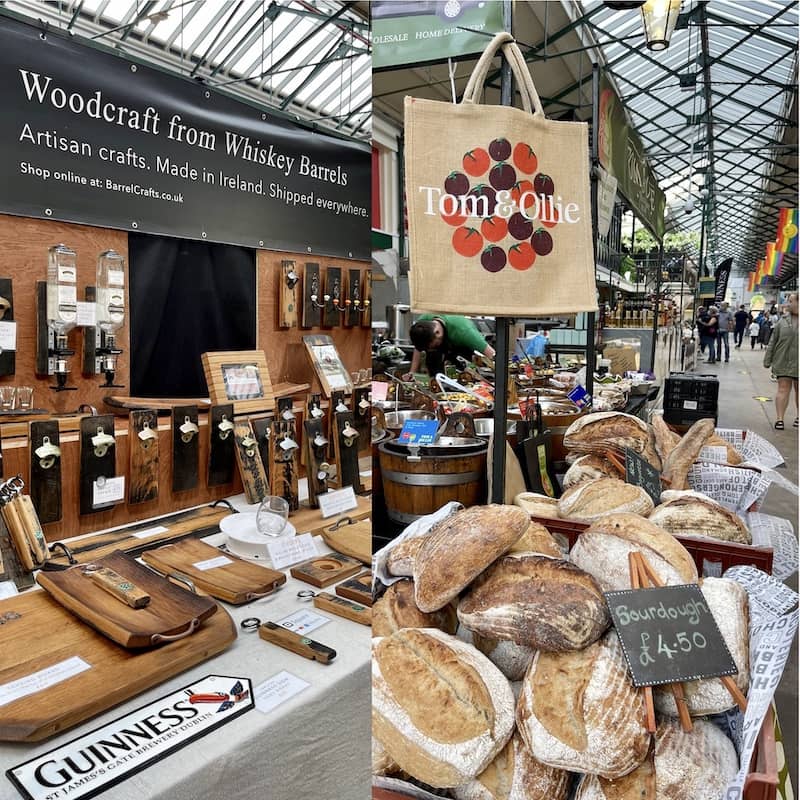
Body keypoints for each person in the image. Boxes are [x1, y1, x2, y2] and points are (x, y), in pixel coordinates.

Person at [403, 314, 495, 379]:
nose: (430, 349)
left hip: (462, 349)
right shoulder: (422, 324)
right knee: (433, 359)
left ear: (437, 333)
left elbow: (493, 355)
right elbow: (418, 348)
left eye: (434, 345)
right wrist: (412, 372)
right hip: (444, 346)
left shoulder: (465, 332)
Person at [763, 292, 798, 430]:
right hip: (783, 360)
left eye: (791, 301)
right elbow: (773, 341)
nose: (788, 304)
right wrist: (768, 359)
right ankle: (780, 419)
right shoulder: (782, 321)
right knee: (783, 389)